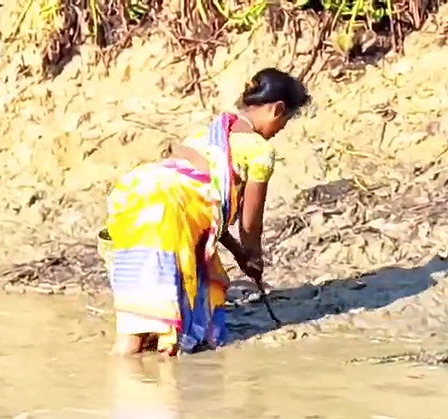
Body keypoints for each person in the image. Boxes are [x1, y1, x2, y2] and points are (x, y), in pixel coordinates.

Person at [100, 67, 311, 357]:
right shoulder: (259, 150)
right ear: (277, 110)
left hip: (134, 194)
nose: (278, 133)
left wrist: (238, 255)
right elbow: (250, 224)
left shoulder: (206, 135)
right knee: (158, 342)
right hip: (168, 214)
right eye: (283, 124)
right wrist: (253, 256)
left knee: (133, 326)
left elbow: (206, 211)